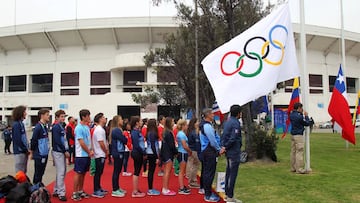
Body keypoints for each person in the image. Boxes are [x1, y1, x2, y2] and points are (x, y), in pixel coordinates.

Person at [200, 108, 222, 202]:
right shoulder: (207, 126)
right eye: (212, 114)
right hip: (209, 152)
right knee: (209, 173)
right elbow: (212, 141)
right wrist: (219, 149)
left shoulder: (205, 125)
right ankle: (208, 195)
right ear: (208, 115)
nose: (213, 115)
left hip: (206, 151)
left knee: (206, 172)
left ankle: (206, 191)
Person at [221, 105, 242, 203]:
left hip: (229, 151)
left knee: (229, 172)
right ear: (238, 113)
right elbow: (233, 138)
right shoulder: (235, 123)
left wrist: (224, 146)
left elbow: (224, 135)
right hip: (233, 151)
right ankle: (230, 196)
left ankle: (227, 194)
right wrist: (226, 147)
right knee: (232, 174)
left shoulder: (227, 121)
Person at [72, 109, 93, 201]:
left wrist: (90, 151)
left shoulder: (87, 127)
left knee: (83, 173)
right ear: (83, 117)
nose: (89, 118)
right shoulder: (79, 128)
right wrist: (88, 151)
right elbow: (81, 142)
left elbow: (88, 141)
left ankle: (80, 190)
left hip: (87, 154)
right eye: (88, 116)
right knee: (78, 173)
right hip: (81, 154)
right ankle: (74, 192)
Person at [52, 110, 70, 201]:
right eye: (61, 117)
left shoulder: (60, 126)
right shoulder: (56, 127)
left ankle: (56, 189)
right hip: (58, 152)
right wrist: (64, 150)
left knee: (61, 171)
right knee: (61, 172)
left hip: (61, 151)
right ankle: (61, 192)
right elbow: (58, 141)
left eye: (64, 117)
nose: (63, 118)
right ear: (57, 117)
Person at [30, 108, 51, 184]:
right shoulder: (38, 127)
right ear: (42, 116)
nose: (49, 116)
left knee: (41, 172)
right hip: (39, 154)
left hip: (44, 153)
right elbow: (33, 140)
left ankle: (39, 186)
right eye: (47, 115)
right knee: (38, 173)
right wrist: (32, 152)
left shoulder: (44, 126)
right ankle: (35, 188)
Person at [92, 113, 109, 198]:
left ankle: (98, 187)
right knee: (98, 172)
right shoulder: (99, 130)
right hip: (99, 154)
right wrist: (106, 151)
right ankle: (96, 190)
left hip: (100, 153)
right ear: (99, 119)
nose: (104, 118)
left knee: (100, 172)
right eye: (102, 117)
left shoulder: (101, 129)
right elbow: (101, 142)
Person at [290, 102, 310, 174]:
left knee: (293, 151)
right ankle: (299, 169)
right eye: (301, 108)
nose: (302, 109)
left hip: (293, 134)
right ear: (299, 108)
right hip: (298, 135)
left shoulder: (291, 114)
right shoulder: (299, 116)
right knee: (299, 151)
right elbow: (306, 123)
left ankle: (293, 167)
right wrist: (306, 116)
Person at [110, 115, 128, 198]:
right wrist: (124, 137)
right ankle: (115, 189)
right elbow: (124, 140)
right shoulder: (116, 130)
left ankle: (117, 187)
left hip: (119, 151)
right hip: (117, 152)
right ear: (117, 121)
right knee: (116, 171)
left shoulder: (118, 130)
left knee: (118, 171)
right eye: (121, 119)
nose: (122, 121)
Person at [160, 117, 178, 196]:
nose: (173, 122)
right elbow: (172, 145)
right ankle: (165, 188)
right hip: (168, 154)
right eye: (173, 121)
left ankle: (165, 188)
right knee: (167, 171)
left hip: (165, 153)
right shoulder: (168, 133)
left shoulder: (165, 132)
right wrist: (176, 152)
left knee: (167, 172)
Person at [130, 116, 146, 198]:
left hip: (138, 152)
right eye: (140, 121)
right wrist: (143, 152)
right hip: (137, 153)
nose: (142, 122)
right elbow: (136, 145)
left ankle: (136, 189)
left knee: (137, 171)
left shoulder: (137, 131)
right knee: (136, 171)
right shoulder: (135, 132)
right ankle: (135, 191)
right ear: (137, 123)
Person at [145, 119, 161, 196]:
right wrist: (157, 156)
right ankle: (150, 189)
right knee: (151, 171)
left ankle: (150, 188)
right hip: (152, 153)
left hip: (150, 152)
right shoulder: (152, 133)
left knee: (151, 171)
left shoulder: (149, 132)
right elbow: (153, 145)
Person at [176, 119, 192, 195]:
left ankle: (182, 186)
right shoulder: (181, 134)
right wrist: (190, 151)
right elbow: (184, 145)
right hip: (183, 152)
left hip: (182, 152)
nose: (187, 126)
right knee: (182, 171)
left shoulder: (181, 133)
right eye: (186, 125)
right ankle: (181, 188)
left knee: (182, 171)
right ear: (183, 126)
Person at [12, 105, 29, 173]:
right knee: (20, 172)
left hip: (24, 151)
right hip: (20, 152)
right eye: (24, 112)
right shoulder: (16, 125)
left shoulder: (21, 124)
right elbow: (17, 140)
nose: (26, 113)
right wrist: (25, 149)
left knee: (24, 170)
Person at [187, 117, 201, 189]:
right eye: (197, 122)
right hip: (194, 150)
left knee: (191, 165)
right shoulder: (193, 133)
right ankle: (192, 181)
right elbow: (197, 142)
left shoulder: (191, 131)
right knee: (194, 166)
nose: (198, 123)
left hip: (192, 149)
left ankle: (191, 180)